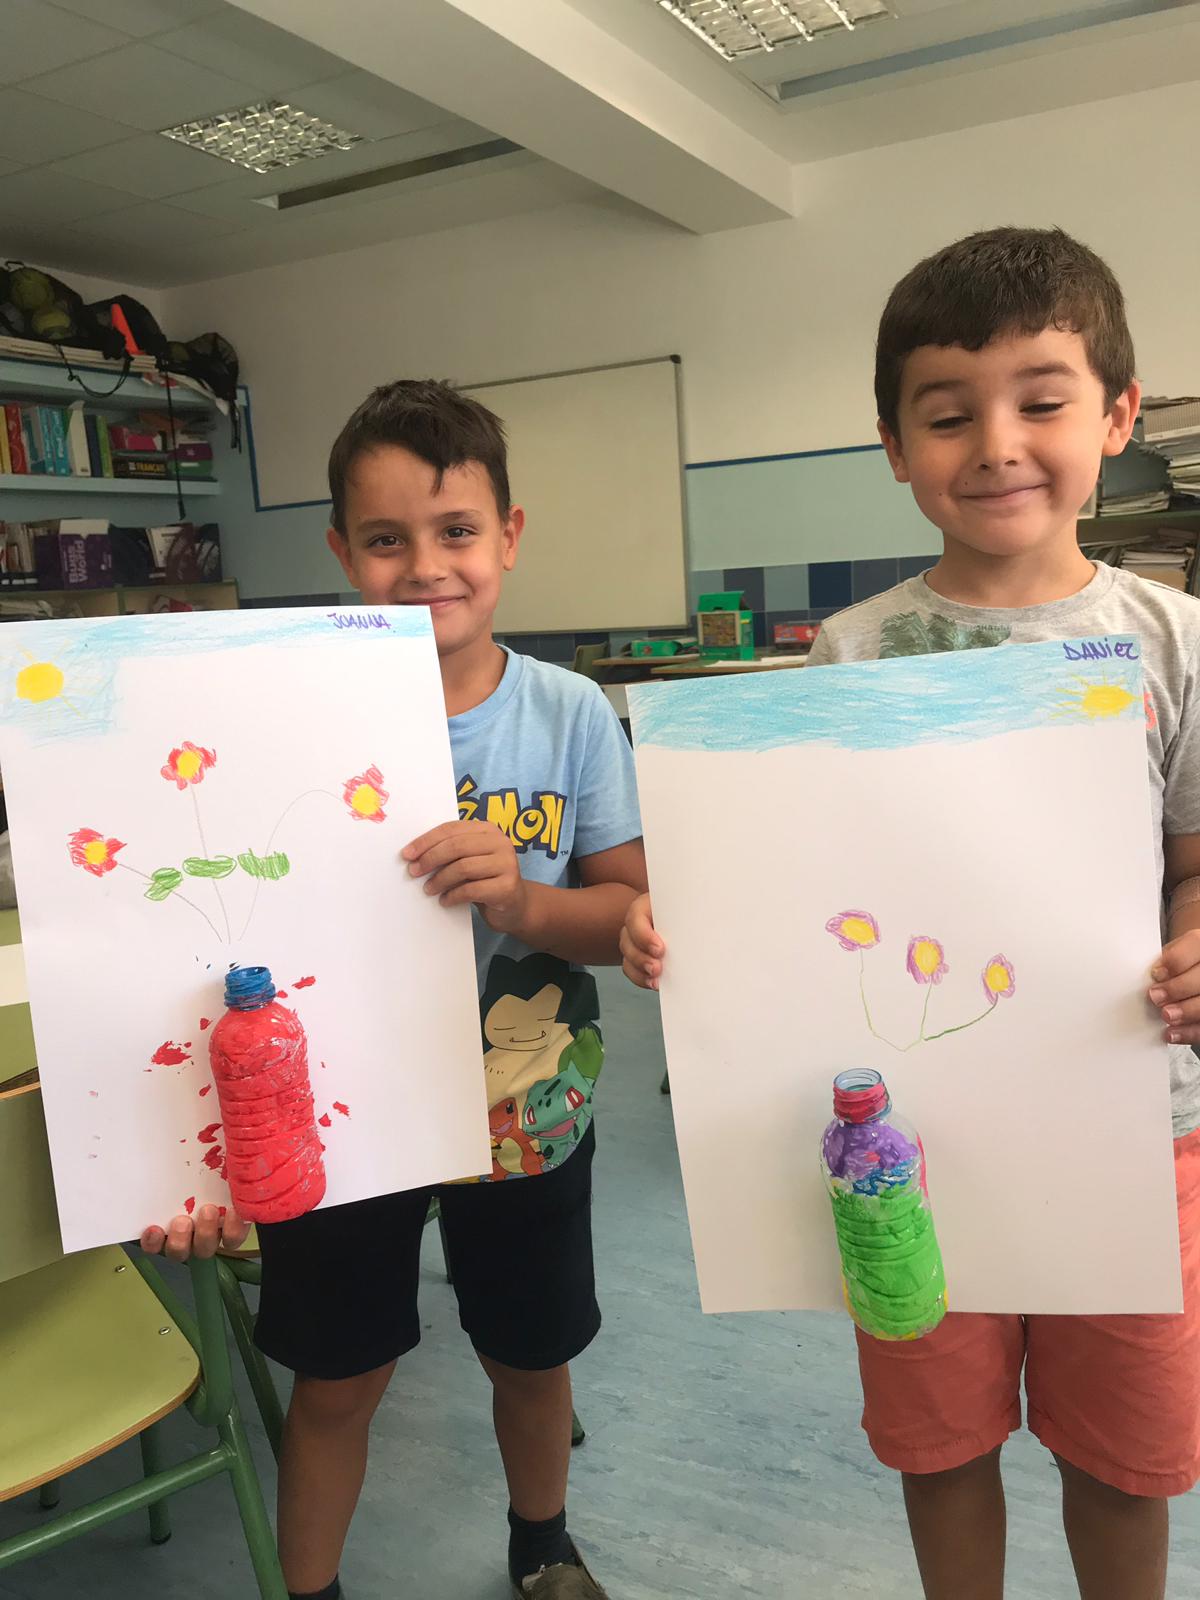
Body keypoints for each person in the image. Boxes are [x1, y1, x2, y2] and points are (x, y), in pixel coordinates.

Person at [621, 227, 1200, 1600]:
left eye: (1042, 401)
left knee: (1127, 1459)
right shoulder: (853, 650)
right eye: (948, 415)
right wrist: (684, 930)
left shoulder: (1171, 638)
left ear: (1118, 415)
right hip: (908, 1136)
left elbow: (1194, 857)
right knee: (940, 1442)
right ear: (893, 444)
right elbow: (810, 879)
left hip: (1137, 1123)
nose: (997, 445)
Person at [144, 379, 646, 1600]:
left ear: (508, 536)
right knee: (338, 1375)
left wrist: (523, 900)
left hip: (524, 1105)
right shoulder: (283, 724)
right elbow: (198, 934)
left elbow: (629, 916)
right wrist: (181, 1160)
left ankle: (542, 1540)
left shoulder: (570, 715)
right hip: (339, 1116)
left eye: (457, 530)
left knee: (529, 1355)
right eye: (385, 538)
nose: (425, 566)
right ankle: (309, 1588)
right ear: (340, 553)